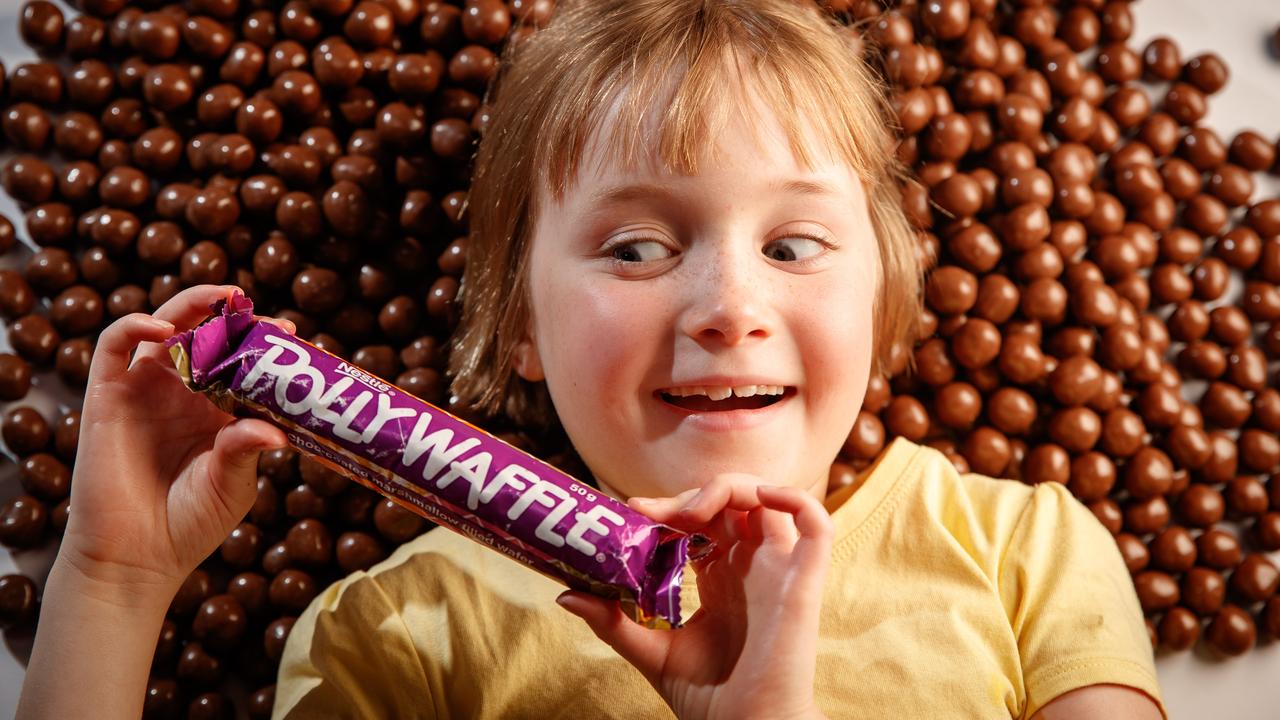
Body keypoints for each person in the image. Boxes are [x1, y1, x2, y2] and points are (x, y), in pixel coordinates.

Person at [18, 2, 1165, 719]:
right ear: (518, 318)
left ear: (882, 297)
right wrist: (111, 587)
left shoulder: (1024, 554)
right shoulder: (397, 636)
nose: (727, 306)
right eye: (634, 246)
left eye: (791, 243)